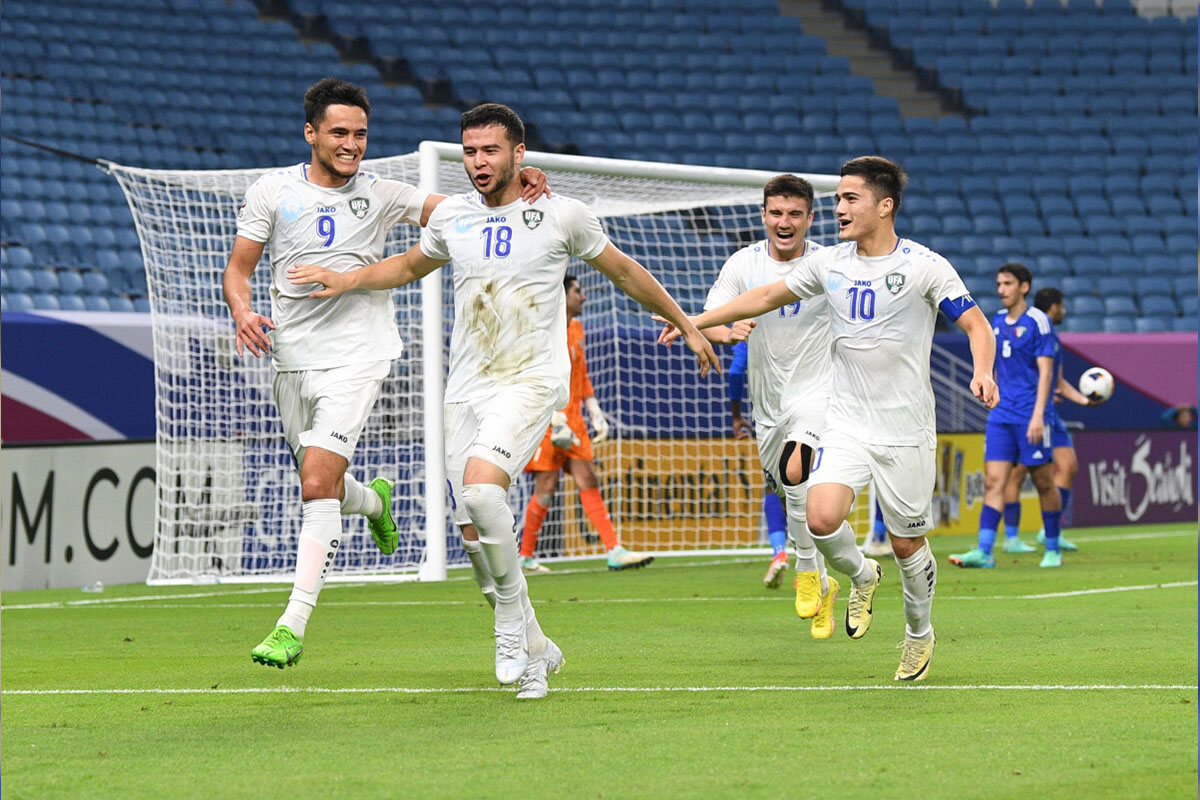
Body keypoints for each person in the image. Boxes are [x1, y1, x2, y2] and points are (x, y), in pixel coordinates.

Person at [288, 102, 717, 698]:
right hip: (466, 386)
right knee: (476, 539)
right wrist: (348, 278)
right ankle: (535, 645)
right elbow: (410, 264)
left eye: (491, 150)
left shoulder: (562, 214)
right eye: (470, 151)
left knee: (485, 489)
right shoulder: (454, 217)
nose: (479, 162)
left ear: (520, 154)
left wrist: (689, 323)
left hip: (531, 380)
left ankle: (511, 625)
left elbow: (623, 270)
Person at [224, 79, 550, 670]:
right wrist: (243, 310)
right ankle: (373, 505)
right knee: (317, 480)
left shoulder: (382, 193)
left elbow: (463, 209)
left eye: (361, 134)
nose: (352, 145)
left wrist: (519, 183)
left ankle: (291, 624)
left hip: (360, 355)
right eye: (340, 133)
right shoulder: (272, 191)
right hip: (292, 359)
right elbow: (239, 270)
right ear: (312, 134)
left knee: (316, 483)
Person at [661, 156, 998, 680]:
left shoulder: (925, 265)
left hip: (906, 428)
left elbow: (977, 325)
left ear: (884, 206)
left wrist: (984, 372)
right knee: (819, 518)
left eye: (849, 199)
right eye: (838, 198)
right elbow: (767, 295)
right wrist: (692, 320)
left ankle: (918, 634)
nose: (838, 208)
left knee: (909, 543)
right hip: (844, 420)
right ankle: (862, 576)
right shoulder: (828, 264)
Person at [697, 174, 837, 639]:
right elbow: (715, 317)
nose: (784, 221)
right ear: (763, 215)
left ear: (810, 219)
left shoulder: (830, 264)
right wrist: (724, 332)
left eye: (795, 214)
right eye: (776, 212)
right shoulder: (743, 265)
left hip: (819, 392)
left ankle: (804, 569)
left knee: (796, 473)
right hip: (768, 402)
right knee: (791, 494)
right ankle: (837, 581)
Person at [517, 274, 654, 574]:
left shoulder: (577, 329)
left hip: (575, 422)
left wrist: (594, 411)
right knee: (546, 485)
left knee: (588, 480)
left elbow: (582, 373)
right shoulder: (543, 332)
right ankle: (525, 556)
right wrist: (554, 416)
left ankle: (614, 550)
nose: (584, 296)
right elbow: (533, 374)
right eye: (578, 291)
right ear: (562, 295)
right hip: (548, 419)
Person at [950, 264, 1066, 570]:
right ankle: (985, 551)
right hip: (1001, 416)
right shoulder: (996, 322)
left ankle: (1052, 547)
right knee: (994, 482)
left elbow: (1046, 373)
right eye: (999, 283)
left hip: (1031, 415)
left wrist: (1039, 415)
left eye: (1008, 283)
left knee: (1043, 482)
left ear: (1024, 287)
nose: (1001, 289)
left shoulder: (1038, 322)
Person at [1000, 286, 1100, 553]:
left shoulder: (1050, 334)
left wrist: (1083, 400)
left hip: (1048, 414)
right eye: (1062, 306)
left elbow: (1056, 380)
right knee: (1018, 474)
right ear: (1054, 307)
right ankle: (1011, 537)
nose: (1064, 311)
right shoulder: (1037, 329)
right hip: (1028, 413)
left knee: (1068, 466)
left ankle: (1049, 530)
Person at [728, 341, 792, 588]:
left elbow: (735, 371)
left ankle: (779, 551)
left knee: (775, 485)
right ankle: (811, 570)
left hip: (770, 413)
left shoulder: (754, 319)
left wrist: (735, 415)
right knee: (808, 486)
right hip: (812, 409)